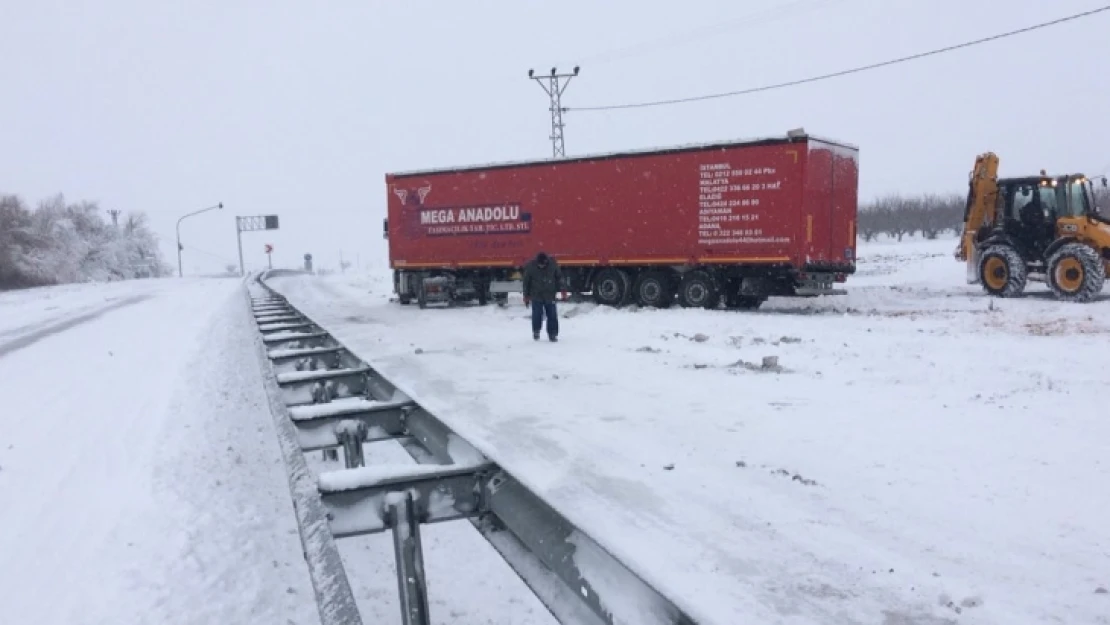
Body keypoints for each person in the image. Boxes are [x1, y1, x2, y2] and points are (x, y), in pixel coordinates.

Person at [521, 251, 562, 342]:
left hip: (550, 294)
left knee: (552, 315)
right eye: (540, 265)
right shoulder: (530, 267)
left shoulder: (553, 265)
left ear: (546, 262)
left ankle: (553, 334)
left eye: (543, 265)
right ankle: (536, 331)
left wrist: (562, 290)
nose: (541, 266)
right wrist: (526, 296)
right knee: (537, 315)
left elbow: (559, 278)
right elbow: (526, 283)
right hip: (536, 295)